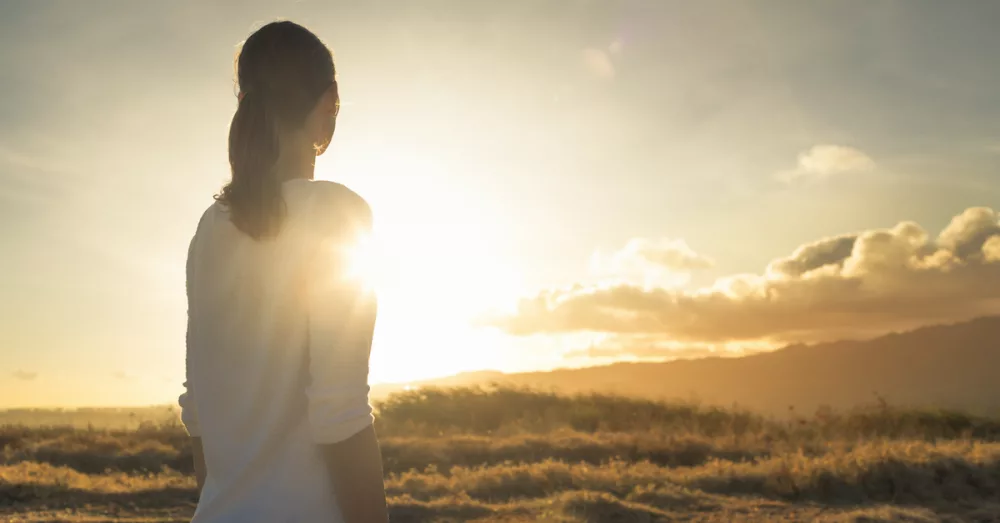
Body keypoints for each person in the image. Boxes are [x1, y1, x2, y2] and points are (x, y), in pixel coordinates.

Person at [178, 21, 389, 523]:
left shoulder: (209, 229)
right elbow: (340, 415)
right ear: (329, 102)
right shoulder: (338, 214)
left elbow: (199, 414)